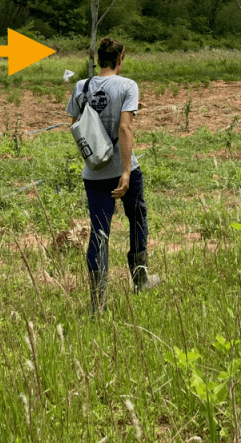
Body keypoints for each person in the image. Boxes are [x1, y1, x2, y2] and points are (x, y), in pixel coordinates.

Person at [66, 37, 158, 315]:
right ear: (120, 58)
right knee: (137, 218)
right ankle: (140, 280)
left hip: (93, 172)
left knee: (99, 232)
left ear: (98, 59)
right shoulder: (128, 86)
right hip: (123, 169)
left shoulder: (81, 87)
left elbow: (75, 125)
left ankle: (98, 304)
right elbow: (125, 128)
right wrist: (126, 172)